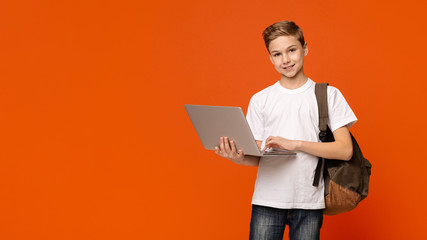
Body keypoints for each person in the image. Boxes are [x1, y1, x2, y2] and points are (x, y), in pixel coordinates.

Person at [214, 20, 357, 240]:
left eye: (292, 50)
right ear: (270, 58)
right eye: (277, 54)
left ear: (305, 48)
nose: (286, 60)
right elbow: (256, 157)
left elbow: (345, 150)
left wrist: (295, 144)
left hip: (309, 201)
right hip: (267, 199)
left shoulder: (328, 95)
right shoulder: (260, 99)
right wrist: (236, 157)